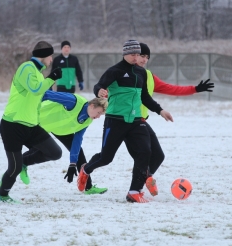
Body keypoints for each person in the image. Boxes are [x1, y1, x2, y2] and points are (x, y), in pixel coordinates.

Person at [77, 40, 173, 203]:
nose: (136, 57)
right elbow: (99, 86)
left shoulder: (141, 73)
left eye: (138, 54)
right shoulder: (115, 71)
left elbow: (145, 97)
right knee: (106, 158)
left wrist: (160, 110)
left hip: (136, 121)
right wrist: (99, 91)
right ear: (125, 54)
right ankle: (86, 170)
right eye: (133, 54)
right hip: (116, 121)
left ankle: (134, 192)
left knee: (145, 152)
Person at [133, 43, 215, 195]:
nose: (144, 60)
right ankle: (135, 190)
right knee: (110, 157)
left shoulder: (149, 76)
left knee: (158, 156)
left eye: (146, 57)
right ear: (133, 56)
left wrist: (195, 89)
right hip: (125, 122)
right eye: (141, 56)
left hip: (141, 122)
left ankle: (146, 178)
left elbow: (171, 88)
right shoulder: (122, 74)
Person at [0, 41, 63, 203]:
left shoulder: (38, 74)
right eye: (51, 56)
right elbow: (35, 89)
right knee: (14, 168)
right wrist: (52, 77)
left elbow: (36, 99)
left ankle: (24, 162)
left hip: (31, 126)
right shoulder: (27, 68)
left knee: (55, 152)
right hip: (12, 125)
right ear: (45, 56)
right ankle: (2, 195)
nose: (52, 60)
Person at [19, 91, 108, 195]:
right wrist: (30, 107)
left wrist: (72, 164)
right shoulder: (74, 101)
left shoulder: (87, 120)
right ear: (92, 106)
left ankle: (88, 187)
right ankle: (16, 167)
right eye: (99, 113)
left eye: (101, 115)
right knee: (38, 150)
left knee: (79, 152)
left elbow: (77, 140)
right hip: (36, 121)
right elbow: (46, 94)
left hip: (62, 130)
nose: (98, 117)